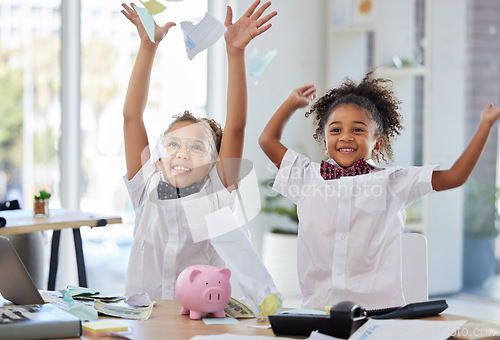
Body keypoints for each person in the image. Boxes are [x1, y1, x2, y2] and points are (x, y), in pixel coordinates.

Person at [259, 71, 500, 310]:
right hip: (318, 312)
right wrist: (291, 104)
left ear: (377, 143)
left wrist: (485, 126)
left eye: (358, 130)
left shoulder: (393, 181)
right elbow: (267, 141)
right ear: (324, 142)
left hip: (381, 315)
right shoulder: (307, 176)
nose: (345, 137)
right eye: (335, 130)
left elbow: (454, 177)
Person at [121, 1, 281, 315]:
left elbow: (235, 126)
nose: (182, 153)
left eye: (197, 148)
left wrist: (234, 53)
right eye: (173, 145)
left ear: (213, 164)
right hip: (143, 316)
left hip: (204, 319)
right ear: (157, 158)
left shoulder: (216, 192)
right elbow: (131, 118)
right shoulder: (146, 186)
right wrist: (147, 46)